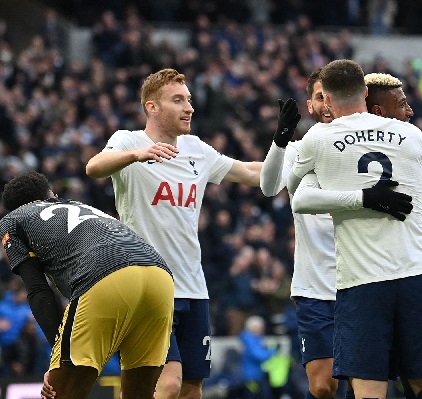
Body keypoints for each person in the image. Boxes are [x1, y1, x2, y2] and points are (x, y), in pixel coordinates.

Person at [259, 65, 422, 399]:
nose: (325, 103)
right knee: (324, 386)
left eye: (327, 95)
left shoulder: (360, 138)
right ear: (309, 105)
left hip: (362, 277)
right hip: (323, 282)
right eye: (317, 97)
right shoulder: (305, 145)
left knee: (368, 384)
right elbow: (269, 187)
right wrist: (280, 142)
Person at [85, 68, 278, 399]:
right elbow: (94, 167)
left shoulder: (196, 149)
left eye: (188, 99)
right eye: (177, 100)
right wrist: (136, 155)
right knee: (169, 383)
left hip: (193, 287)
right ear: (152, 107)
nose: (189, 107)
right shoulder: (129, 142)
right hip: (148, 286)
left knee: (191, 388)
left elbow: (248, 172)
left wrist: (296, 161)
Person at [287, 58, 422, 399]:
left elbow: (298, 197)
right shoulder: (411, 133)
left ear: (328, 101)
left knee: (368, 391)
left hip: (362, 280)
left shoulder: (318, 138)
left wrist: (361, 198)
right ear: (365, 92)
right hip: (417, 272)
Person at [0, 171, 174, 398]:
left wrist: (57, 357)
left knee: (59, 393)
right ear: (51, 195)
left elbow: (38, 291)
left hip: (106, 274)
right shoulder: (79, 205)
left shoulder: (13, 220)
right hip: (160, 276)